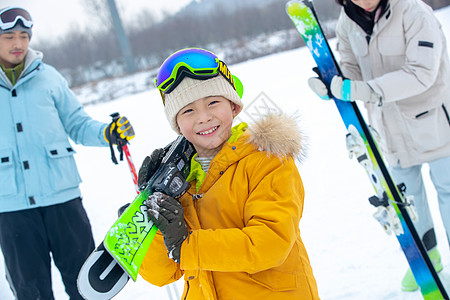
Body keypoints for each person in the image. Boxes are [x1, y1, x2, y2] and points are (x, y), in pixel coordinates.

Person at [136, 48, 320, 299]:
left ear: (233, 106)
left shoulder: (267, 159)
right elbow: (161, 275)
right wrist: (153, 215)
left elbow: (270, 244)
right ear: (177, 123)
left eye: (213, 102)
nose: (204, 117)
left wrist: (186, 246)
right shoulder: (180, 181)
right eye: (188, 110)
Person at [308, 0, 450, 292]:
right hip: (390, 131)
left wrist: (365, 90)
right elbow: (350, 69)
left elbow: (422, 72)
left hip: (435, 124)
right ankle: (428, 259)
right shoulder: (348, 21)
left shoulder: (413, 11)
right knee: (406, 201)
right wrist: (333, 83)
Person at [0, 7, 135, 299]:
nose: (18, 43)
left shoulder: (48, 78)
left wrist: (107, 133)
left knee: (85, 283)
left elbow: (77, 123)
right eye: (9, 36)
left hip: (62, 198)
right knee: (29, 290)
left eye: (24, 36)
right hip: (12, 208)